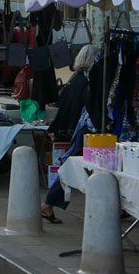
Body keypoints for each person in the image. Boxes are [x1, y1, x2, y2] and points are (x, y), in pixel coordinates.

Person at [41, 45, 102, 223]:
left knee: (72, 167)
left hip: (76, 129)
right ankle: (47, 204)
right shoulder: (87, 82)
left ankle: (48, 204)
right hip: (85, 130)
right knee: (70, 168)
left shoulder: (77, 78)